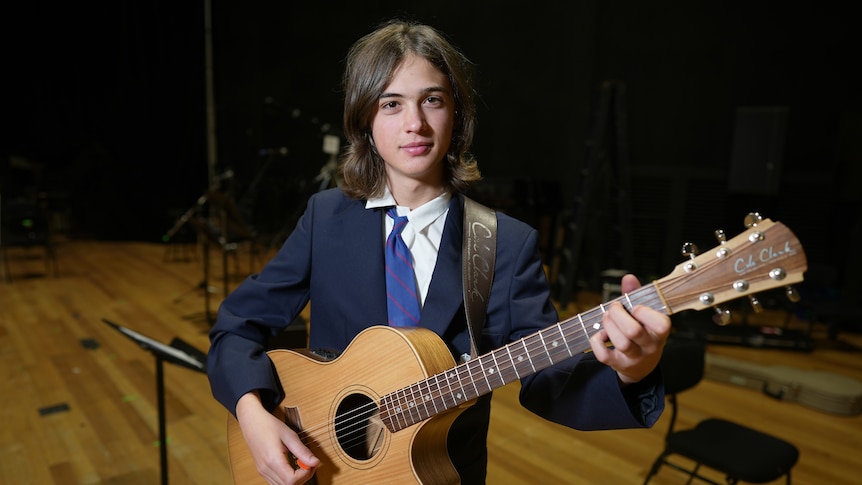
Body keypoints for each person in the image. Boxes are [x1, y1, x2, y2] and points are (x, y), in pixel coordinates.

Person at [207, 19, 671, 485]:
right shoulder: (325, 219)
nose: (415, 124)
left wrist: (635, 370)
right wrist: (251, 411)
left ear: (458, 115)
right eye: (391, 104)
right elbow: (237, 326)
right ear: (365, 121)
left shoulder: (505, 245)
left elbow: (553, 384)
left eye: (432, 100)